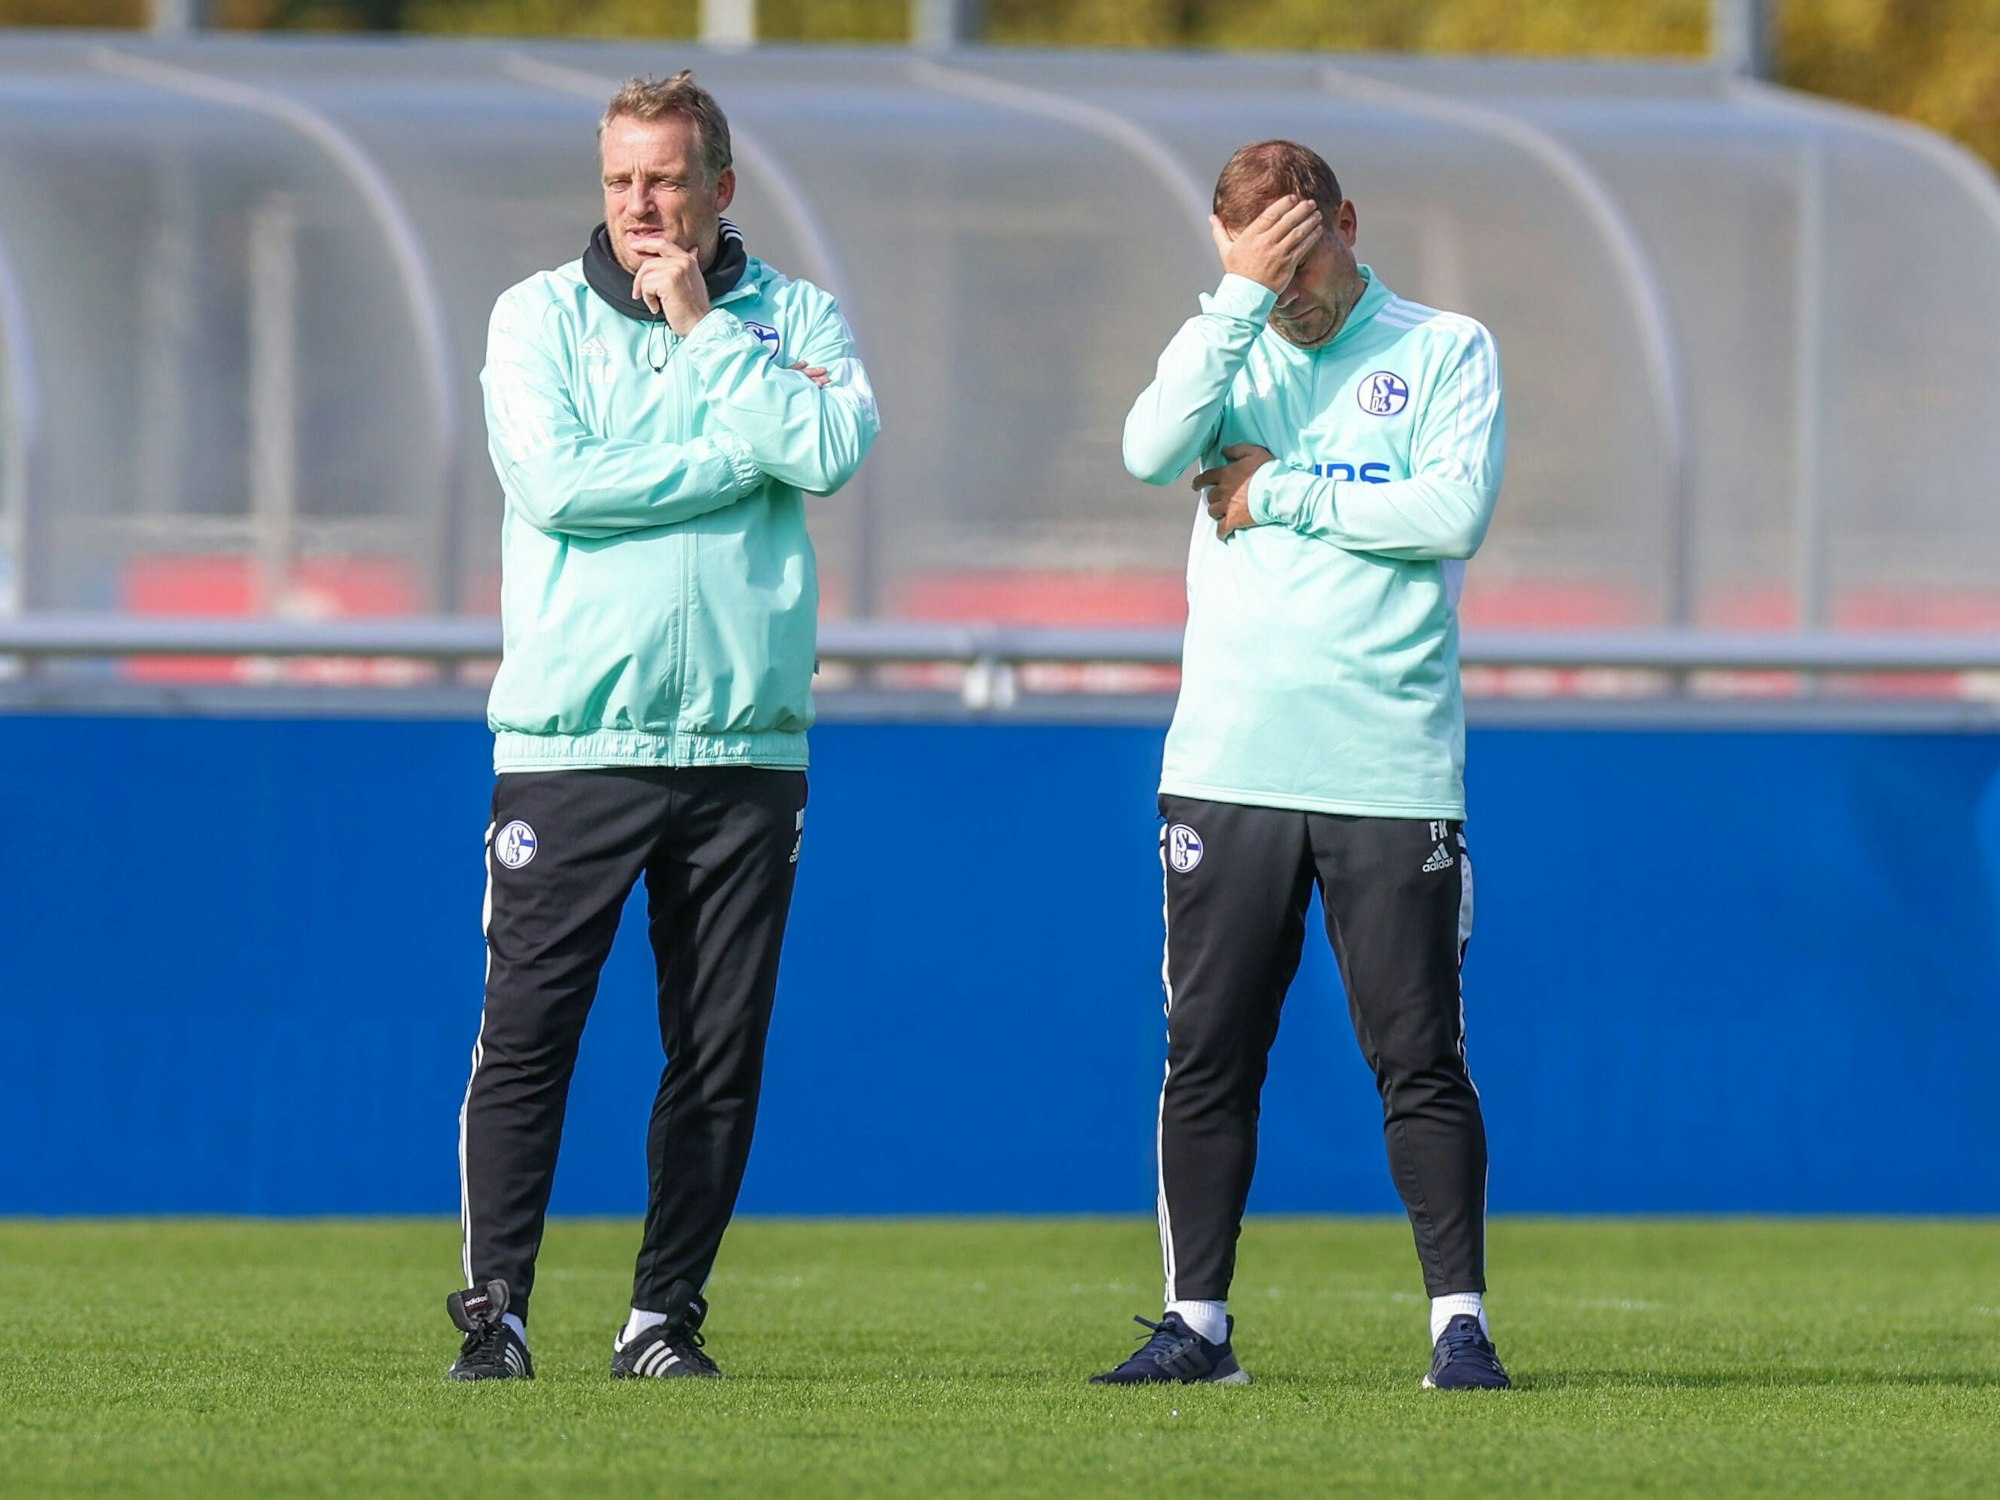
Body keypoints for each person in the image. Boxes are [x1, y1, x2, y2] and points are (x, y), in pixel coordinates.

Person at [445, 71, 879, 1382]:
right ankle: (498, 1315)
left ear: (719, 187)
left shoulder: (790, 313)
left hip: (747, 749)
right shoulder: (533, 318)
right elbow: (560, 485)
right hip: (576, 743)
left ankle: (660, 1321)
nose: (642, 203)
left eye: (667, 178)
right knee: (530, 1038)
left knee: (718, 1053)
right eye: (623, 178)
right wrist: (737, 452)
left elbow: (833, 447)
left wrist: (701, 331)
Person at [1092, 140, 1508, 1391]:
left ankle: (1458, 1327)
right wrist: (1233, 302)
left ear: (1345, 219)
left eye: (1303, 256)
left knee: (1415, 1055)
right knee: (1207, 1049)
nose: (1293, 294)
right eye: (1260, 270)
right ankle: (1195, 1327)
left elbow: (1450, 515)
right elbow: (1146, 451)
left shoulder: (1443, 347)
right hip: (1229, 763)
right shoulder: (1225, 345)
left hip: (1386, 765)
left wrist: (1278, 494)